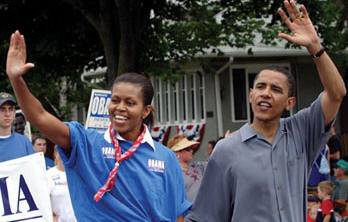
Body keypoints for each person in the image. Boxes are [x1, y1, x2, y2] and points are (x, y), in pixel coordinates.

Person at [185, 1, 346, 221]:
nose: (266, 93)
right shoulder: (226, 150)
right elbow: (205, 216)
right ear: (251, 95)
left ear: (290, 102)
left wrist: (315, 46)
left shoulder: (301, 132)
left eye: (275, 89)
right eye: (260, 87)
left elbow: (336, 93)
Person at [6, 33, 191, 221]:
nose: (120, 108)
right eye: (115, 100)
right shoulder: (86, 144)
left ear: (145, 111)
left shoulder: (165, 157)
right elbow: (39, 116)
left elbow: (177, 215)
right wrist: (16, 79)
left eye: (130, 103)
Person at [0, 92, 34, 162]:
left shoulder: (25, 142)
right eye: (2, 110)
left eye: (10, 109)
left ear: (14, 112)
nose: (7, 114)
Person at [167, 135, 202, 202]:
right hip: (187, 211)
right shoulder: (171, 173)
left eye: (191, 148)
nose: (191, 151)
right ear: (177, 152)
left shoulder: (197, 166)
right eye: (188, 149)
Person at [46, 147, 77, 222]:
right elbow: (43, 201)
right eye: (61, 152)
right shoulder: (48, 175)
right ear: (55, 154)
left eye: (67, 153)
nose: (64, 155)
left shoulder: (78, 174)